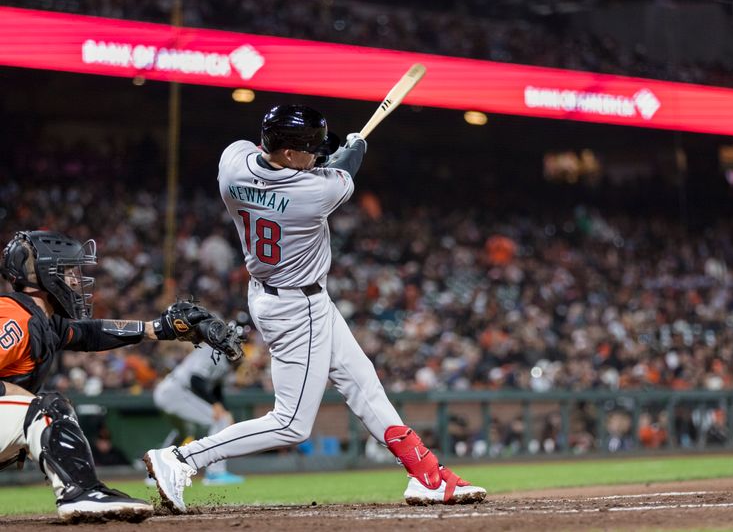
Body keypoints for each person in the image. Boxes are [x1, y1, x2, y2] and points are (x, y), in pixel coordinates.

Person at [144, 104, 486, 512]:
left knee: (363, 383)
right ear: (288, 153)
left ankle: (425, 473)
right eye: (308, 149)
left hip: (279, 293)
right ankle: (182, 459)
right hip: (295, 306)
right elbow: (344, 166)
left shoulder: (232, 162)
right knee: (290, 423)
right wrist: (355, 145)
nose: (316, 154)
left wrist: (324, 154)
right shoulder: (315, 193)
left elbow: (307, 162)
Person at [0, 230, 242, 522]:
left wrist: (157, 328)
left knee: (43, 408)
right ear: (42, 275)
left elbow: (91, 333)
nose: (76, 279)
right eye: (66, 271)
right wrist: (27, 403)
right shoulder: (14, 318)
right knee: (48, 409)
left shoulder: (44, 321)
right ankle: (81, 493)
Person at [152, 318, 248, 486]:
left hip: (171, 391)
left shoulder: (224, 356)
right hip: (177, 391)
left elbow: (216, 389)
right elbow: (196, 380)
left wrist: (224, 407)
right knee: (220, 420)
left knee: (184, 430)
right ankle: (215, 473)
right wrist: (218, 408)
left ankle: (155, 472)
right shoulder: (212, 351)